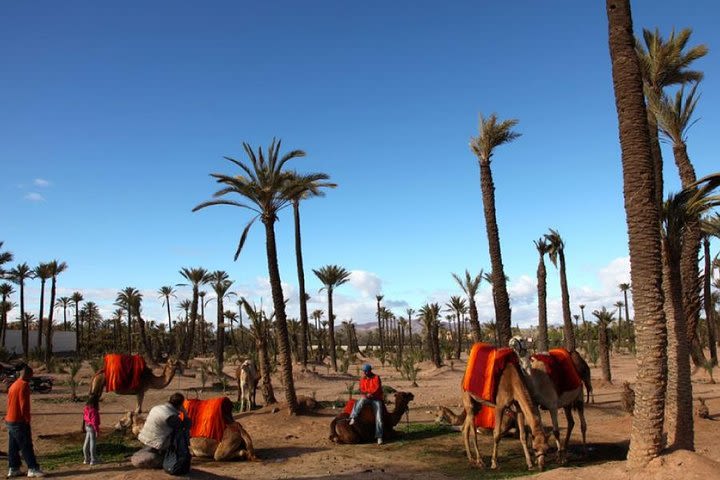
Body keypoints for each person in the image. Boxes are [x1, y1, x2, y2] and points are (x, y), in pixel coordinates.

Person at [5, 365, 44, 478]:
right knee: (26, 445)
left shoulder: (14, 384)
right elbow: (24, 405)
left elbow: (10, 402)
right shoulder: (24, 385)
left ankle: (13, 468)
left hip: (10, 419)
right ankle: (32, 468)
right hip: (19, 420)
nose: (31, 377)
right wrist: (27, 419)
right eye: (31, 375)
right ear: (28, 374)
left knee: (13, 446)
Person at [134, 393, 190, 468]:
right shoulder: (170, 416)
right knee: (181, 433)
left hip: (145, 438)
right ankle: (176, 455)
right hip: (157, 442)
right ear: (180, 405)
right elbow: (186, 425)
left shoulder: (156, 407)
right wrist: (185, 413)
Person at [348, 363, 384, 445]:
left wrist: (371, 393)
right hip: (367, 397)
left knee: (378, 417)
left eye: (366, 371)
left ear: (370, 371)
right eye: (364, 371)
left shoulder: (376, 378)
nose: (365, 373)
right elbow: (361, 389)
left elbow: (377, 387)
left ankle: (379, 436)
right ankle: (353, 417)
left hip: (376, 398)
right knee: (360, 401)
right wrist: (366, 394)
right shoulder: (362, 379)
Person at [82, 394, 101, 465]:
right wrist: (97, 431)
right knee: (93, 443)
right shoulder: (94, 411)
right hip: (92, 428)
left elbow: (84, 418)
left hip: (87, 426)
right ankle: (93, 459)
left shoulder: (86, 408)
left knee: (86, 442)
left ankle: (86, 459)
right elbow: (95, 422)